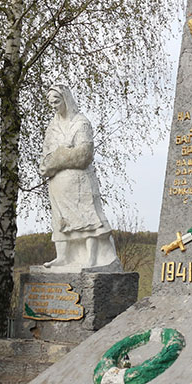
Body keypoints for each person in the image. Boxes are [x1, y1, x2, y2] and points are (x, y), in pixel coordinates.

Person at [39, 84, 120, 271]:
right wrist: (53, 160)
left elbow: (84, 155)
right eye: (50, 103)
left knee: (87, 218)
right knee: (60, 220)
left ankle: (91, 257)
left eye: (57, 101)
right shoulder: (53, 127)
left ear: (66, 99)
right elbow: (45, 157)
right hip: (58, 184)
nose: (54, 106)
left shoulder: (80, 123)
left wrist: (59, 157)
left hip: (79, 183)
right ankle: (63, 257)